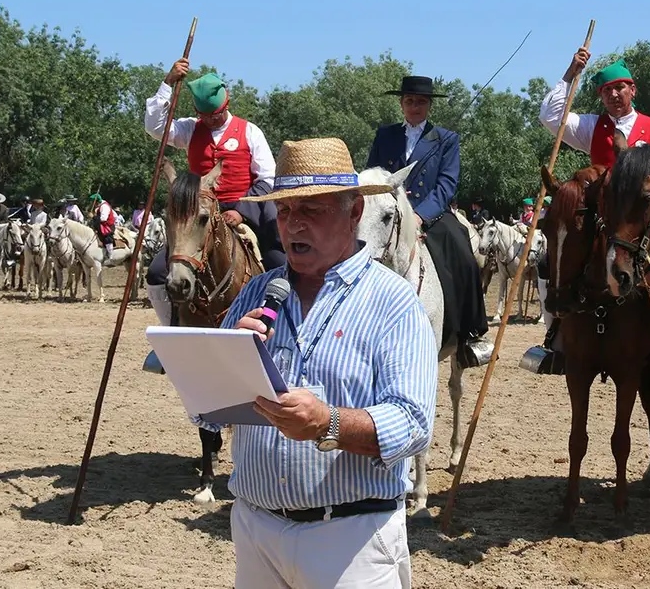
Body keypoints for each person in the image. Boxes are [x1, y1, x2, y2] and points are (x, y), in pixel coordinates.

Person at [197, 137, 436, 588]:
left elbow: (414, 424)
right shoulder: (255, 292)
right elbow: (209, 410)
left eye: (313, 209)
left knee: (458, 247)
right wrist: (223, 360)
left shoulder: (395, 302)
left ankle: (471, 334)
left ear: (354, 213)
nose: (293, 225)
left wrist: (329, 424)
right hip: (255, 530)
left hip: (352, 538)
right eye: (285, 212)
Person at [538, 51, 650, 343]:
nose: (613, 95)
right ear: (601, 96)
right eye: (606, 90)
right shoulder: (592, 126)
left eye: (619, 88)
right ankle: (556, 334)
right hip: (598, 220)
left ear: (632, 90)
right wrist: (571, 72)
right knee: (549, 262)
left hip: (635, 223)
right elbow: (551, 117)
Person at [143, 60, 285, 332]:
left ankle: (280, 330)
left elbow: (268, 178)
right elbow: (155, 129)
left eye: (217, 114)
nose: (212, 120)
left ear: (226, 102)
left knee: (280, 263)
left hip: (244, 210)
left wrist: (242, 211)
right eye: (206, 116)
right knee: (158, 273)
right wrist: (167, 83)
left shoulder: (250, 131)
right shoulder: (189, 129)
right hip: (198, 213)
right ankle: (173, 332)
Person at [366, 75, 491, 363]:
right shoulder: (385, 135)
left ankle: (470, 334)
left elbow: (447, 183)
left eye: (420, 101)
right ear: (401, 104)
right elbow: (373, 173)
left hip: (429, 214)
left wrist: (420, 217)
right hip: (389, 209)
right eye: (409, 101)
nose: (414, 106)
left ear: (429, 106)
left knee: (462, 250)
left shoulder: (446, 139)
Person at [89, 193, 117, 264]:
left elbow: (103, 219)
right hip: (101, 225)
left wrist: (93, 217)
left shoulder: (104, 206)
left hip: (107, 226)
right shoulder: (99, 206)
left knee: (107, 237)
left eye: (93, 202)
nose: (92, 203)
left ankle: (110, 257)